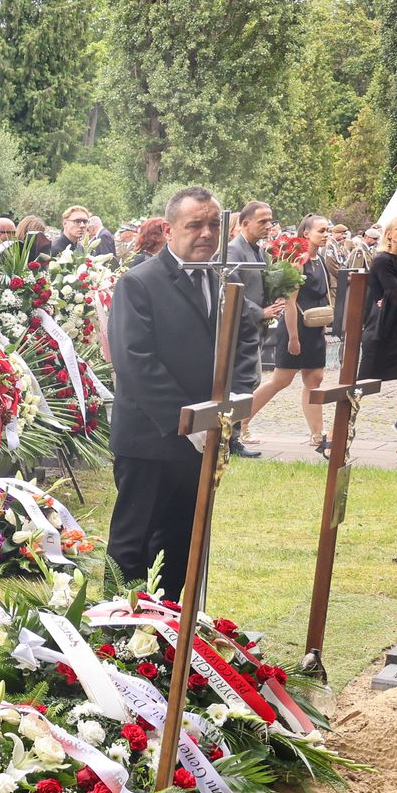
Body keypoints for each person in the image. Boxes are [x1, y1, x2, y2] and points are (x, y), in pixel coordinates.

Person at [105, 187, 261, 597]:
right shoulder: (138, 284)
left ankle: (174, 633)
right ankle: (117, 640)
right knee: (134, 546)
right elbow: (135, 360)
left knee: (183, 544)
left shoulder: (220, 279)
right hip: (151, 438)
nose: (206, 233)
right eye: (195, 225)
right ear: (169, 229)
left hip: (206, 435)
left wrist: (237, 397)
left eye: (213, 224)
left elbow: (245, 337)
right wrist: (187, 421)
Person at [248, 213, 333, 454]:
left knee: (314, 379)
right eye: (321, 231)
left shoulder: (320, 261)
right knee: (280, 381)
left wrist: (324, 327)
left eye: (327, 231)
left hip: (314, 326)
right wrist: (294, 338)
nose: (326, 235)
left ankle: (317, 434)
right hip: (295, 326)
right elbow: (289, 302)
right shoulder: (299, 260)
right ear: (306, 234)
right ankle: (240, 422)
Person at [358, 212, 397, 464]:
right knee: (358, 389)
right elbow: (393, 296)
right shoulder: (382, 260)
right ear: (389, 233)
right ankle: (336, 432)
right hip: (383, 334)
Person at [225, 200, 272, 458]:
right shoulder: (234, 251)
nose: (268, 226)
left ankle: (233, 436)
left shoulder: (259, 251)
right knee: (241, 384)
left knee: (250, 382)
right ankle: (230, 439)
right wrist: (260, 312)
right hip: (239, 330)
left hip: (256, 328)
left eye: (270, 221)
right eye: (262, 221)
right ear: (245, 224)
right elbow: (233, 293)